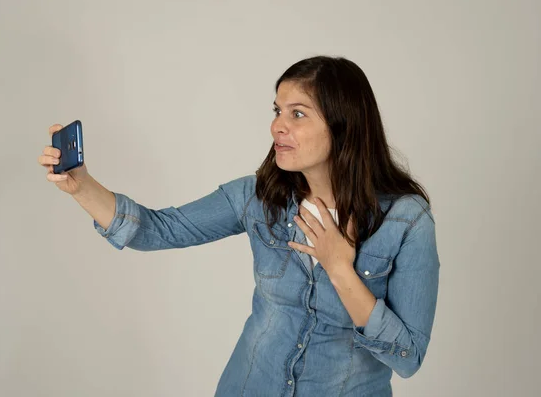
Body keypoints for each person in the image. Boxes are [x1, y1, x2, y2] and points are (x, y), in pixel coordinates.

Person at [38, 55, 440, 396]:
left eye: (297, 114)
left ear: (344, 124)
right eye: (277, 111)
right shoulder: (258, 197)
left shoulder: (406, 220)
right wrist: (82, 186)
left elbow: (406, 357)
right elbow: (158, 229)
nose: (278, 126)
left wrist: (339, 269)